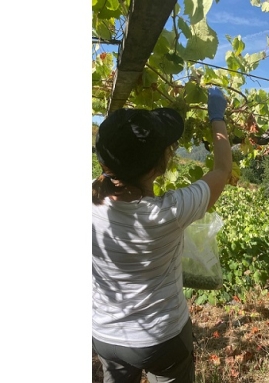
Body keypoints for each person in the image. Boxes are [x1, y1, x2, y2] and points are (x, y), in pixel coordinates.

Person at [92, 87, 231, 383]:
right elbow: (222, 169)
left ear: (103, 162)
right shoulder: (170, 212)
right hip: (162, 339)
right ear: (160, 167)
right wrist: (217, 117)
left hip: (106, 335)